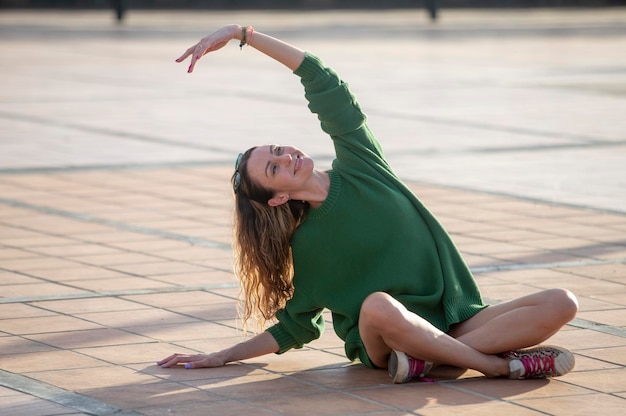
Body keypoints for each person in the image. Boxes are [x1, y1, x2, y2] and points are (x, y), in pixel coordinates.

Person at [158, 24, 579, 383]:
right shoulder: (306, 245)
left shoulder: (361, 164)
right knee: (376, 304)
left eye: (277, 148)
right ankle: (497, 368)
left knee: (562, 301)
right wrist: (222, 355)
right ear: (279, 197)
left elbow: (323, 81)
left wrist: (242, 34)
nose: (286, 156)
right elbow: (294, 329)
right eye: (274, 168)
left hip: (453, 319)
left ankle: (431, 359)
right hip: (385, 341)